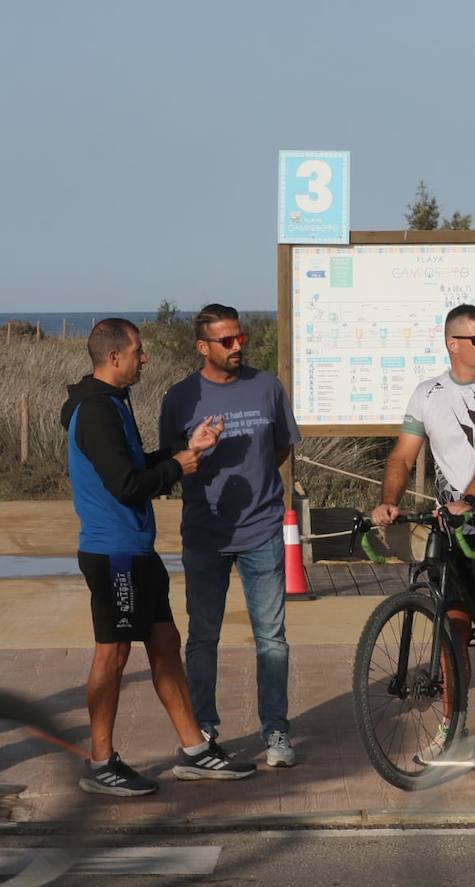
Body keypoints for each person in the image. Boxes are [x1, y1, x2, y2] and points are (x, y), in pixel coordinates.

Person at [61, 317, 255, 796]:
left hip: (137, 551)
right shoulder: (97, 411)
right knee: (114, 653)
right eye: (138, 351)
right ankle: (100, 761)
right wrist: (178, 467)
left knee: (165, 645)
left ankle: (194, 750)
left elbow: (133, 465)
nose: (143, 358)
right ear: (113, 357)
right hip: (114, 555)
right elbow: (126, 486)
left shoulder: (110, 403)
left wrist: (184, 450)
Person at [370, 304, 475, 775]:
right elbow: (404, 454)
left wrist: (470, 496)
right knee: (452, 635)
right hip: (454, 533)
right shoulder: (427, 393)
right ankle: (455, 730)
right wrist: (388, 501)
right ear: (452, 343)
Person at [159, 304, 301, 767]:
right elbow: (169, 463)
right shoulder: (180, 397)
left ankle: (276, 730)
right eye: (227, 341)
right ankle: (203, 728)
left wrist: (258, 485)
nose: (238, 346)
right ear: (203, 347)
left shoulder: (267, 388)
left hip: (262, 530)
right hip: (204, 534)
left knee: (272, 638)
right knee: (202, 636)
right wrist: (195, 451)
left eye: (241, 338)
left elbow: (279, 446)